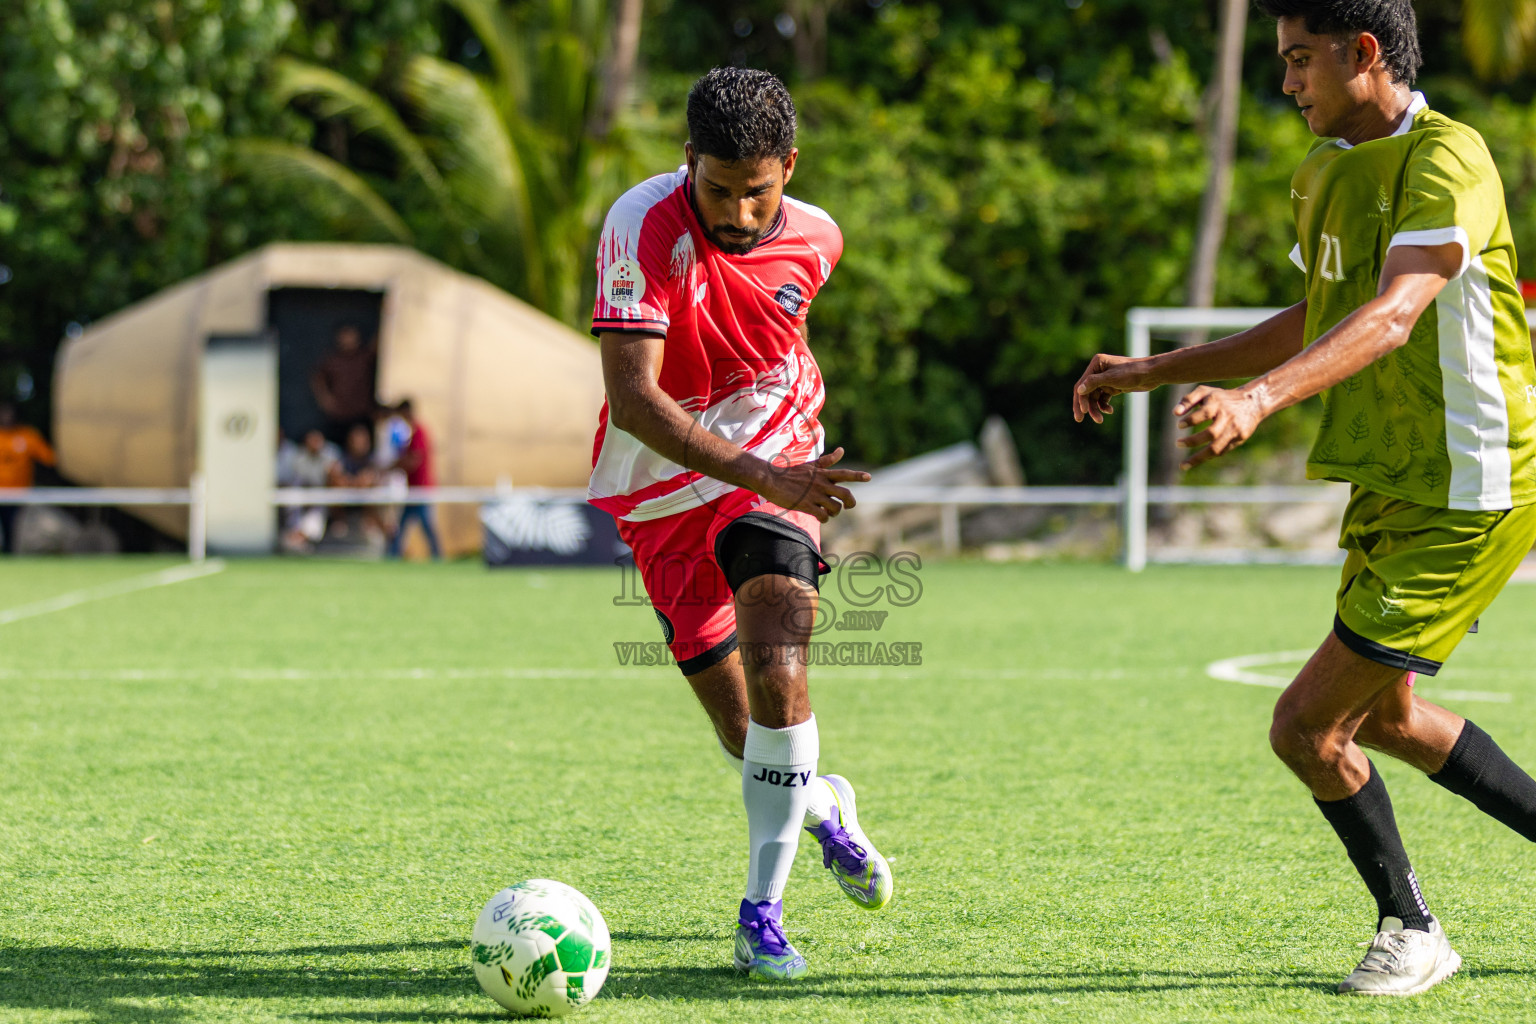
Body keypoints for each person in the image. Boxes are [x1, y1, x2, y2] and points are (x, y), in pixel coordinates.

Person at [1073, 0, 1536, 996]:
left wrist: (1258, 402)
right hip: (1392, 478)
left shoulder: (1449, 160)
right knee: (1389, 719)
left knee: (1305, 727)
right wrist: (1160, 371)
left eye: (1299, 61)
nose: (1285, 83)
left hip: (1471, 485)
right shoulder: (1323, 168)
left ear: (1364, 54)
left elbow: (1398, 310)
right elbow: (1314, 316)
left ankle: (1412, 928)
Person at [588, 67, 892, 981]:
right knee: (743, 730)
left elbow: (775, 344)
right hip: (657, 486)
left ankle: (761, 911)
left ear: (788, 169)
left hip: (776, 466)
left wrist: (776, 476)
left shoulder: (820, 240)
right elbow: (636, 402)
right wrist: (760, 469)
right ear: (689, 162)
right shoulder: (639, 223)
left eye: (756, 191)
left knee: (779, 662)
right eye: (717, 189)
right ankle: (825, 808)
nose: (737, 210)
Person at [0, 401, 56, 554]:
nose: (6, 417)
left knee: (12, 526)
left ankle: (10, 553)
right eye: (3, 413)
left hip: (18, 494)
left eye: (9, 412)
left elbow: (49, 459)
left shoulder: (28, 436)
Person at [387, 399, 440, 560]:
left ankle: (437, 556)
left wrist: (394, 466)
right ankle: (394, 554)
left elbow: (414, 461)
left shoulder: (419, 432)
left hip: (421, 489)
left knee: (425, 525)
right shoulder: (415, 432)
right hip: (415, 488)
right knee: (406, 524)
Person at [310, 324, 377, 445]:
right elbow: (318, 379)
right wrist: (325, 399)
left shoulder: (364, 357)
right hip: (339, 416)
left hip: (360, 413)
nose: (348, 340)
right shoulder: (333, 360)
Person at [282, 429, 340, 551]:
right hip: (302, 501)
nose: (315, 444)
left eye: (317, 441)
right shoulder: (299, 458)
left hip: (321, 502)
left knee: (315, 519)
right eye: (312, 441)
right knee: (294, 506)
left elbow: (333, 481)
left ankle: (299, 540)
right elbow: (300, 482)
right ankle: (296, 540)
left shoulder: (330, 454)